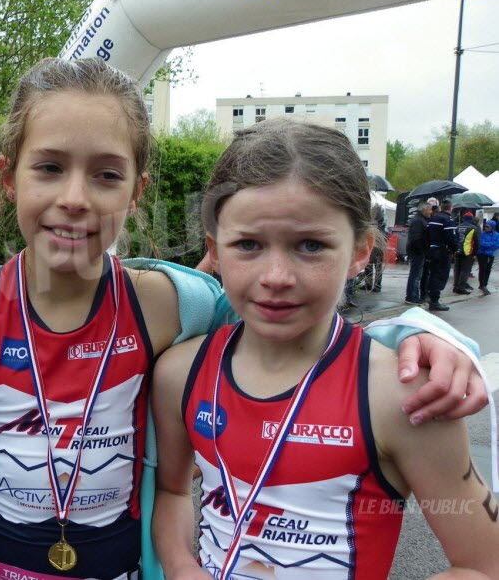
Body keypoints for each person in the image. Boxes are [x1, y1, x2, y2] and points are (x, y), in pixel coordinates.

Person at [0, 59, 487, 580]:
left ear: (136, 192)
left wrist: (425, 334)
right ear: (8, 177)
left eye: (106, 174)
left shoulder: (172, 304)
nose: (75, 197)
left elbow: (300, 340)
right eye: (49, 167)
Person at [151, 120, 499, 579]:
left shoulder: (404, 396)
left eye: (311, 245)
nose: (276, 277)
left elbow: (483, 563)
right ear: (215, 251)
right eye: (248, 244)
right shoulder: (179, 373)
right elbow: (173, 491)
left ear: (360, 252)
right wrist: (180, 566)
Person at [425, 198, 457, 311]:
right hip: (442, 251)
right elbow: (451, 237)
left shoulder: (433, 218)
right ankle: (434, 301)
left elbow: (427, 234)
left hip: (432, 249)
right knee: (440, 275)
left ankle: (431, 298)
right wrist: (455, 249)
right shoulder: (448, 219)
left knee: (433, 274)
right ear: (451, 208)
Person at [405, 201, 432, 305]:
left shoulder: (420, 220)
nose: (431, 212)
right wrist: (422, 250)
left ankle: (414, 296)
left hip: (418, 251)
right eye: (429, 209)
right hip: (417, 251)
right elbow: (416, 238)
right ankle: (411, 296)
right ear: (424, 210)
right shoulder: (418, 221)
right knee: (415, 275)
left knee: (416, 275)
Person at [453, 212, 478, 294]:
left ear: (463, 218)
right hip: (467, 252)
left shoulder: (457, 227)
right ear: (471, 219)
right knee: (465, 270)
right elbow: (477, 242)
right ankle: (461, 288)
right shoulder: (473, 228)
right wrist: (475, 253)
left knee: (457, 269)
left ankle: (455, 286)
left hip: (457, 250)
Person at [477, 220, 498, 295]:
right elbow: (480, 243)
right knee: (482, 269)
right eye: (485, 226)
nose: (486, 228)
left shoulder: (497, 235)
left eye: (488, 227)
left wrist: (487, 245)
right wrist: (490, 244)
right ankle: (482, 285)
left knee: (488, 270)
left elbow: (497, 245)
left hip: (490, 255)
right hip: (482, 254)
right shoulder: (482, 234)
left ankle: (485, 284)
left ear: (492, 227)